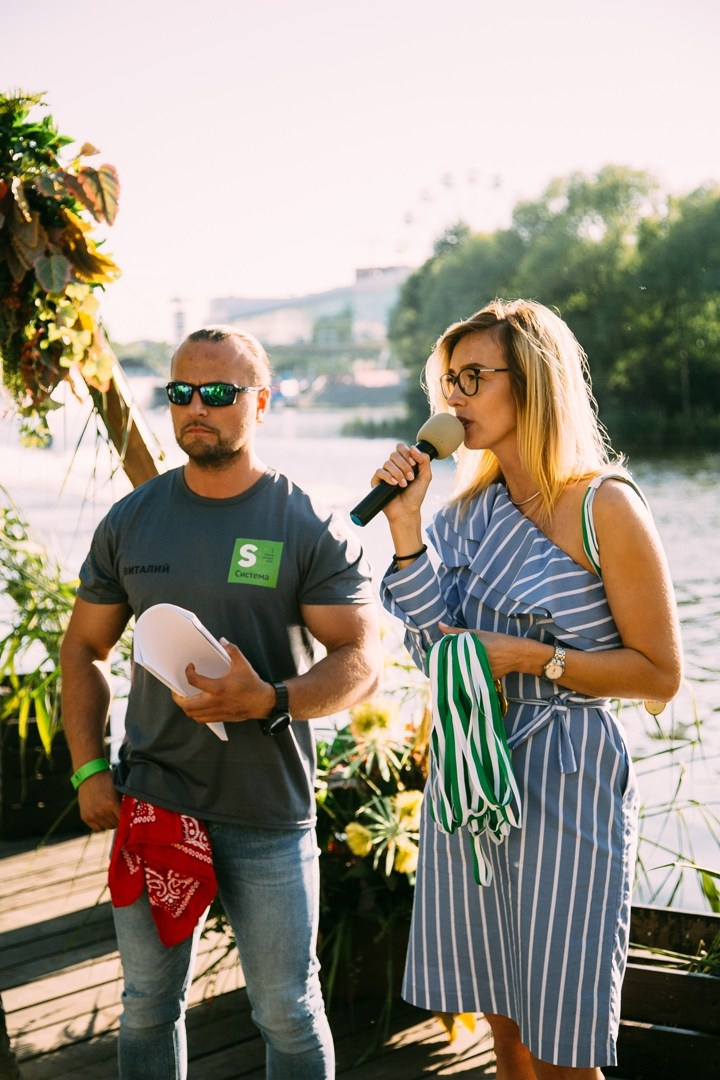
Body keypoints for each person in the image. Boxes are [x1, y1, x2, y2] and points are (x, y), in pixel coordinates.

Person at [368, 298, 682, 1080]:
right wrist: (406, 529)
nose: (455, 398)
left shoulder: (604, 505)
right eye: (449, 380)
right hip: (472, 779)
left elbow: (659, 675)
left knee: (563, 1042)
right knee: (504, 1029)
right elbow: (438, 648)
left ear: (534, 382)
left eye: (474, 377)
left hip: (567, 773)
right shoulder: (464, 513)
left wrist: (534, 659)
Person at [60, 326, 381, 1080]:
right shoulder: (133, 519)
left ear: (261, 402)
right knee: (145, 1004)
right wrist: (87, 769)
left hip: (267, 814)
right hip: (155, 804)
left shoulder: (306, 523)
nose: (194, 408)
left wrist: (270, 698)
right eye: (179, 393)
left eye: (216, 393)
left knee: (288, 1013)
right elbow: (83, 649)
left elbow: (362, 660)